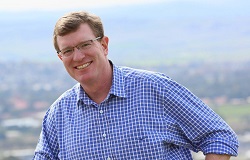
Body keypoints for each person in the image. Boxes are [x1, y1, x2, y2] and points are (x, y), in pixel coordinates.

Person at [33, 11, 239, 160]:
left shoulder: (155, 89)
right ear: (61, 58)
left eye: (85, 45)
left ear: (104, 45)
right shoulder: (58, 114)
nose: (78, 56)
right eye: (68, 50)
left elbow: (218, 135)